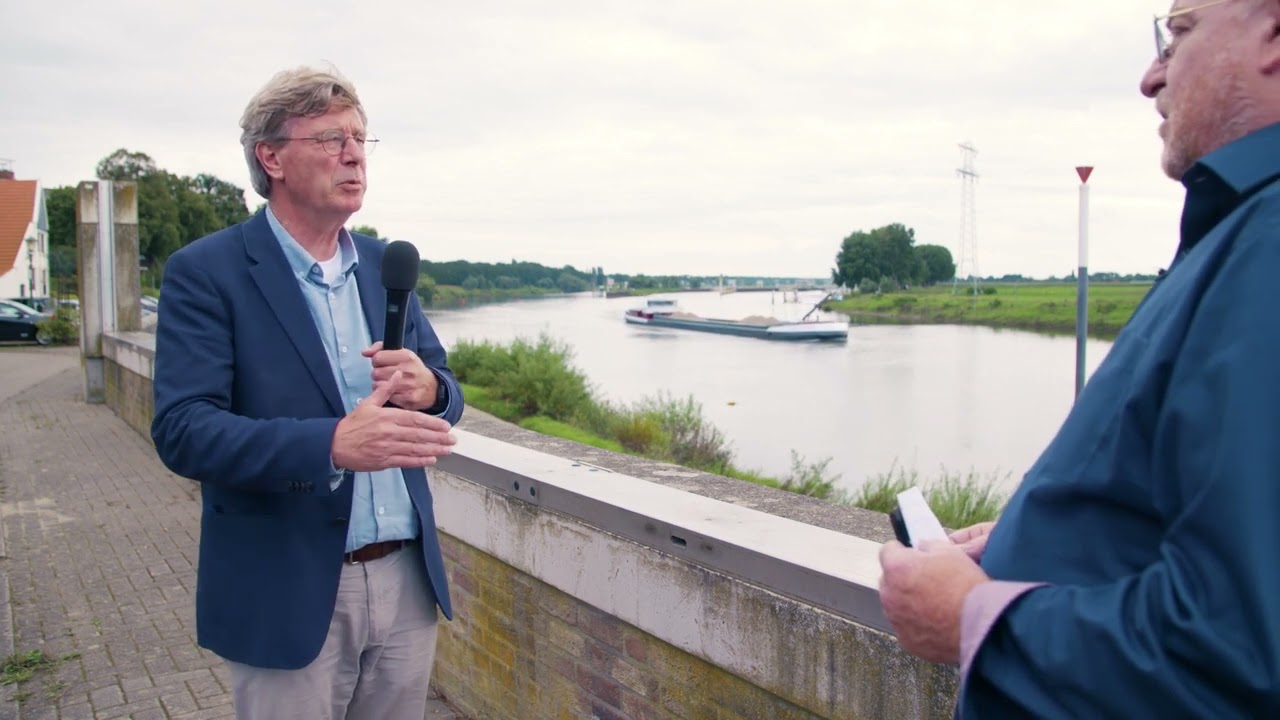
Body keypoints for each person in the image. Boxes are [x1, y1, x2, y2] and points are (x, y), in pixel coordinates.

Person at [878, 1, 1280, 716]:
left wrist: (976, 618)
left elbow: (1239, 651)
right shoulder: (1242, 231)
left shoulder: (1270, 245)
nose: (1151, 78)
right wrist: (1053, 536)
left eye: (1179, 34)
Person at [150, 65, 464, 720]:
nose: (353, 155)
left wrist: (428, 385)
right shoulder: (208, 273)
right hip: (286, 585)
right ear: (272, 157)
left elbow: (445, 391)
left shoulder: (384, 265)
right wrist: (330, 443)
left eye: (360, 138)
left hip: (406, 579)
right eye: (330, 138)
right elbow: (184, 429)